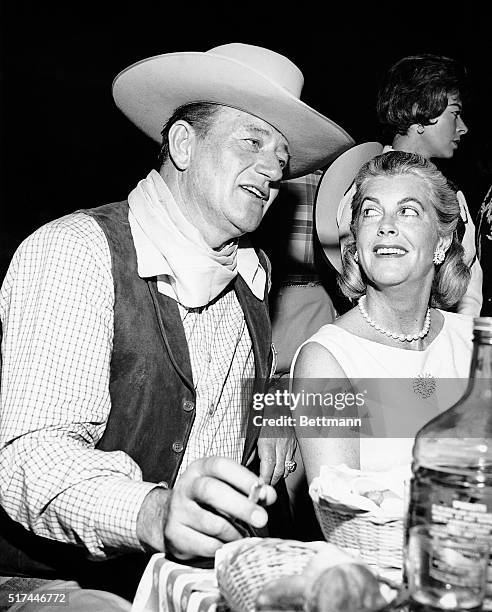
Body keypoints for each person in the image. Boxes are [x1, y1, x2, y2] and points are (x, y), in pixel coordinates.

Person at [0, 42, 354, 603]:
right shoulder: (76, 252)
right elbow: (29, 456)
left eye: (282, 159)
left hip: (187, 583)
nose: (272, 169)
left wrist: (273, 411)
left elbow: (273, 386)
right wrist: (152, 511)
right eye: (252, 142)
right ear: (184, 144)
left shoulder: (251, 274)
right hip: (46, 583)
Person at [292, 151, 473, 486]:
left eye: (408, 212)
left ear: (443, 240)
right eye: (370, 212)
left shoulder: (474, 343)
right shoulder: (326, 361)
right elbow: (343, 518)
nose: (386, 227)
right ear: (357, 240)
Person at [375, 53, 482, 316]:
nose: (463, 128)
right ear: (419, 110)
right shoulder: (370, 187)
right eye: (454, 114)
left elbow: (470, 277)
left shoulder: (450, 190)